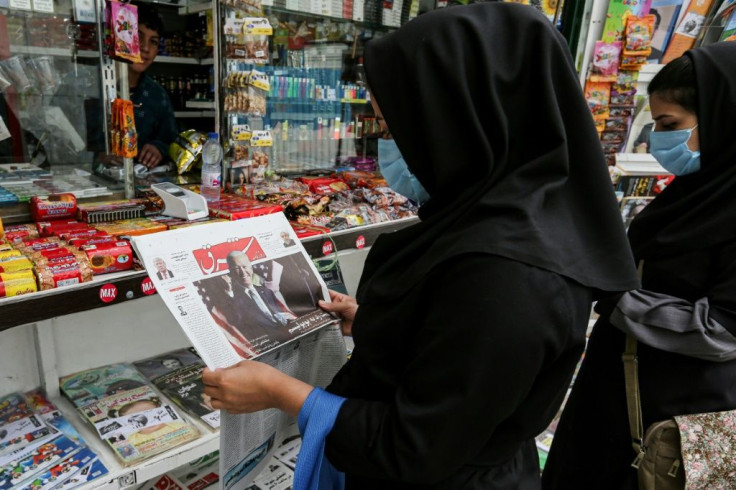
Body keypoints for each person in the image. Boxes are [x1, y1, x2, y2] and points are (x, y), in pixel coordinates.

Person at [202, 4, 639, 488]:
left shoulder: (508, 274)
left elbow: (413, 448)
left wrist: (280, 392)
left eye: (395, 131)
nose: (390, 151)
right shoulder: (496, 223)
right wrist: (377, 323)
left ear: (463, 125)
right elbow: (459, 351)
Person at [542, 42, 736, 489]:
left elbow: (723, 329)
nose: (658, 141)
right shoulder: (695, 193)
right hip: (620, 393)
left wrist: (618, 300)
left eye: (671, 125)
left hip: (671, 421)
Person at [126, 2, 178, 169]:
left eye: (153, 42)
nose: (145, 48)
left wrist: (159, 148)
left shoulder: (157, 95)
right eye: (138, 37)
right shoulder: (91, 86)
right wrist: (97, 155)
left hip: (139, 186)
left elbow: (172, 141)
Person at [225, 251, 295, 343]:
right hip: (267, 343)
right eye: (237, 268)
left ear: (251, 267)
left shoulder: (266, 291)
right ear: (231, 272)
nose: (243, 272)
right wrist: (229, 292)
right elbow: (235, 320)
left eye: (245, 267)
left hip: (288, 334)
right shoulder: (234, 299)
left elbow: (279, 312)